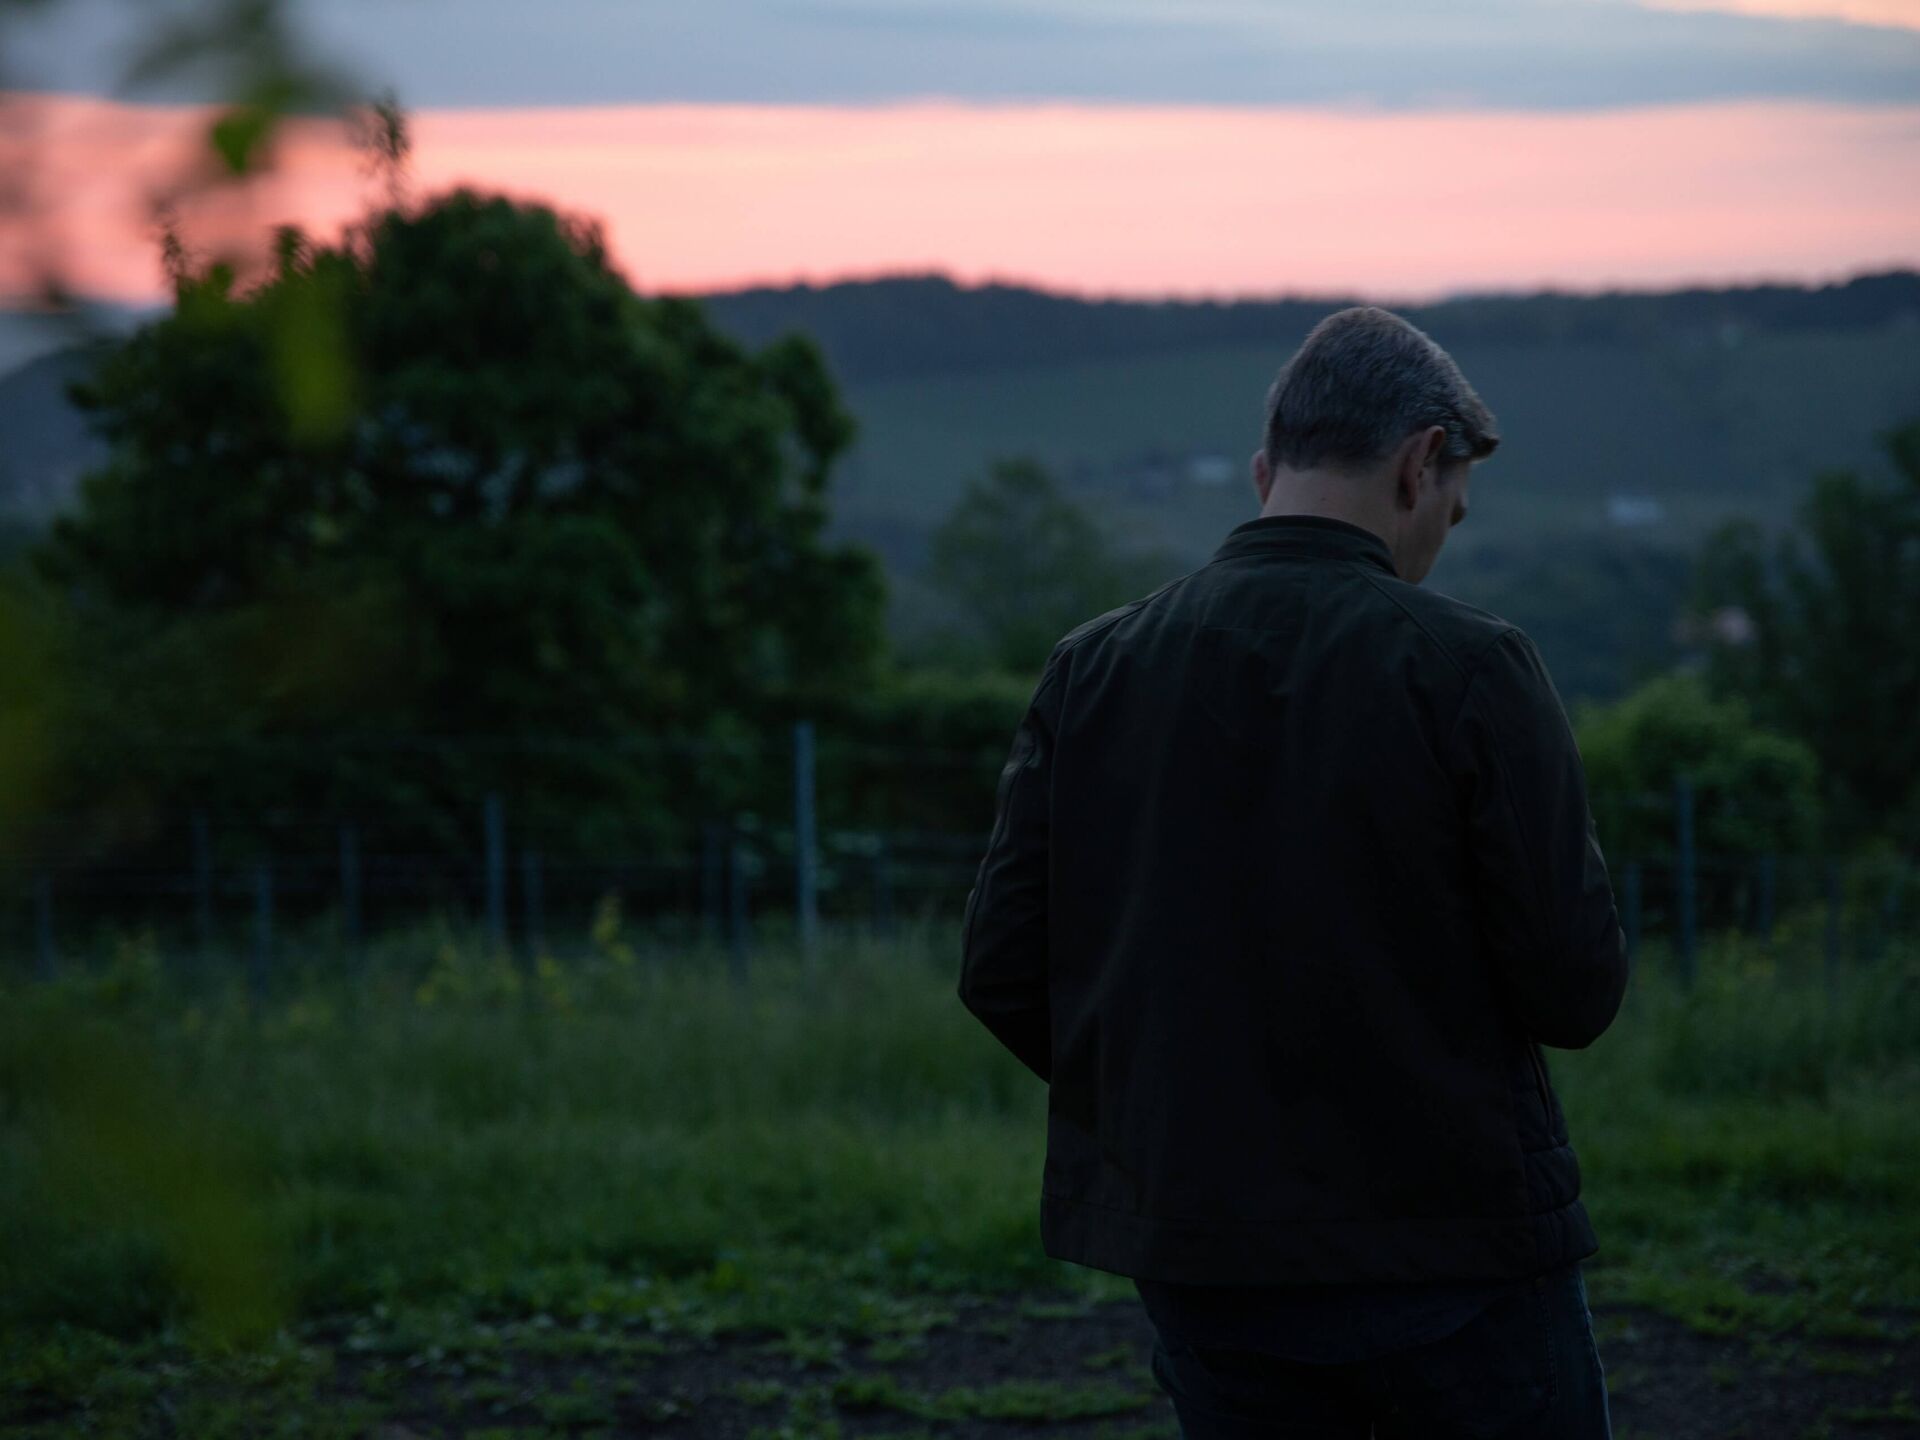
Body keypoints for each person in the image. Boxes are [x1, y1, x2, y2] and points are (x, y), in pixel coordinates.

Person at [956, 305, 1630, 1437]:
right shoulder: (1472, 669)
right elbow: (1576, 989)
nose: (1439, 538)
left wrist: (1176, 1112)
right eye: (1451, 512)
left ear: (1270, 468)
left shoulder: (1093, 670)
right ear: (1423, 465)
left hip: (1201, 1262)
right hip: (1452, 1258)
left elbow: (1003, 971)